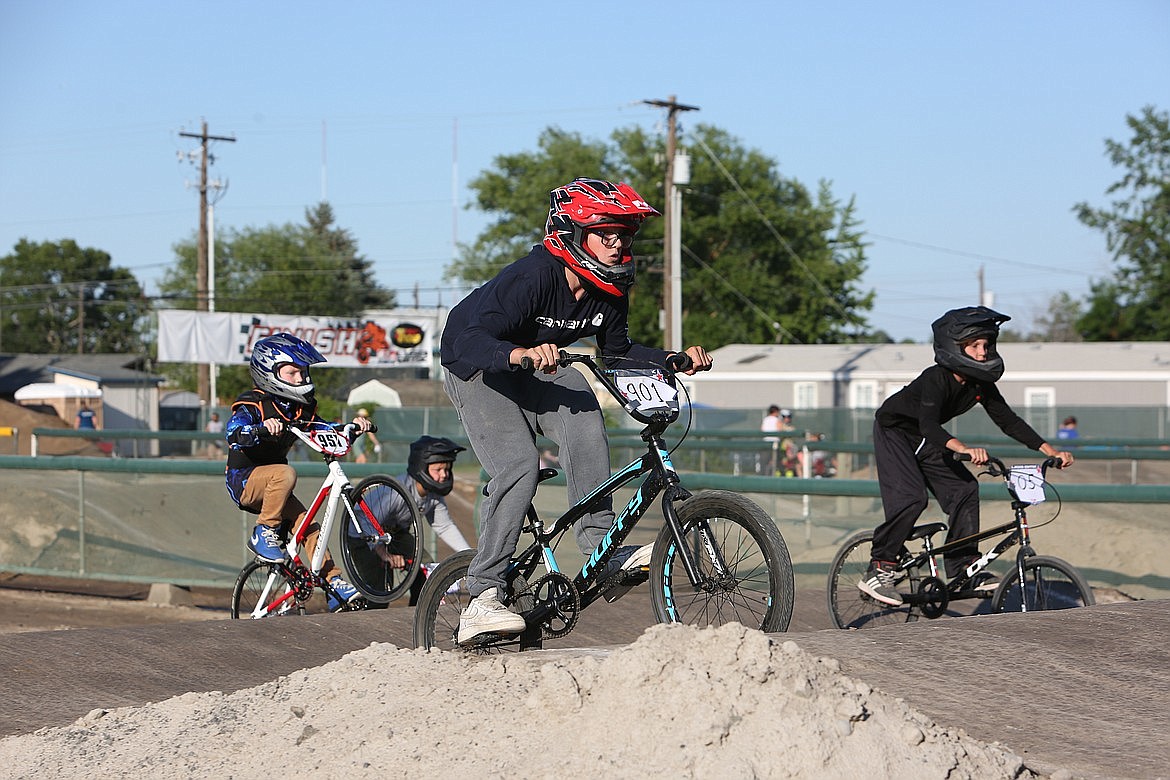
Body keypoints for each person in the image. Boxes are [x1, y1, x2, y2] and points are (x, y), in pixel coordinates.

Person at [440, 177, 713, 645]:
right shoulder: (531, 278)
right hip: (479, 369)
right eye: (605, 233)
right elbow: (466, 340)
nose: (618, 244)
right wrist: (517, 355)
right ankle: (482, 595)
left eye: (624, 235)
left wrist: (672, 360)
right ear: (570, 232)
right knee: (519, 465)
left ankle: (601, 550)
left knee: (586, 415)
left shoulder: (610, 289)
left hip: (541, 367)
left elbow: (618, 353)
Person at [859, 307, 1075, 606]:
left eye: (987, 345)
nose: (983, 351)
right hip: (896, 431)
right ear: (954, 347)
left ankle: (963, 567)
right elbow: (928, 424)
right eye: (975, 346)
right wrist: (961, 448)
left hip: (927, 438)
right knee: (912, 498)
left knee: (965, 489)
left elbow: (1008, 421)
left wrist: (1049, 450)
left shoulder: (979, 384)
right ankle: (880, 566)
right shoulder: (937, 378)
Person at [224, 332, 374, 611]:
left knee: (308, 526)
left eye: (303, 372)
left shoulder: (299, 409)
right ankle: (264, 531)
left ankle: (333, 584)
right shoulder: (253, 403)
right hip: (245, 481)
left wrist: (350, 428)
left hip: (275, 487)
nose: (301, 378)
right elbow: (233, 432)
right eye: (292, 372)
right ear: (270, 372)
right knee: (285, 473)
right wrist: (258, 429)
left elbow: (322, 428)